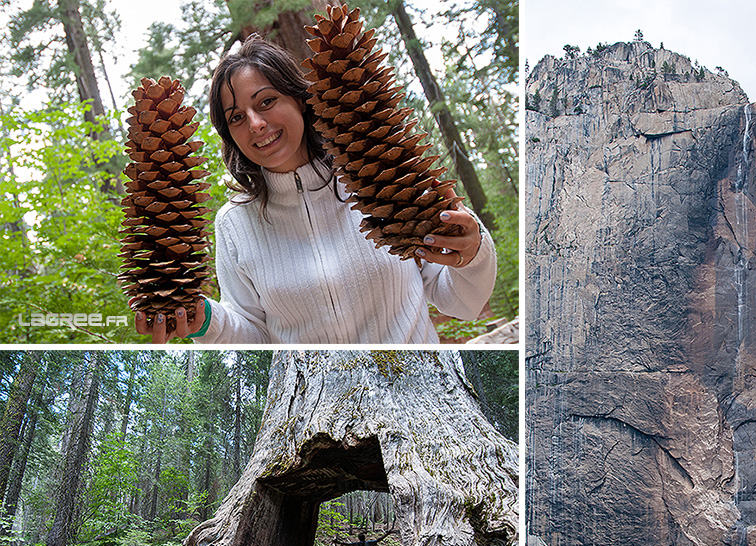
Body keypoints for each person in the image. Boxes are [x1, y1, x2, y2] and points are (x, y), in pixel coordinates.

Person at [134, 35, 496, 344]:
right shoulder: (234, 223)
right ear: (230, 135)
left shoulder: (382, 181)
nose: (256, 124)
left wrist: (474, 252)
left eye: (266, 101)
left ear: (300, 101)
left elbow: (462, 303)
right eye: (237, 117)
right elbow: (258, 335)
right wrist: (207, 321)